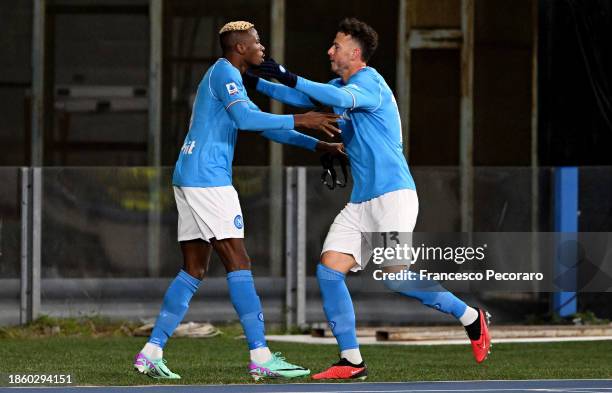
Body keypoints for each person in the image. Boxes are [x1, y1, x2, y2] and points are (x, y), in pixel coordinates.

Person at [248, 17, 491, 380]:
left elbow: (336, 98)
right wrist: (251, 79)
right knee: (329, 271)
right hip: (361, 203)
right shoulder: (337, 85)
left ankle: (471, 316)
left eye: (336, 45)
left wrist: (284, 72)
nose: (330, 51)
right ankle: (351, 360)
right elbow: (300, 97)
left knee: (395, 278)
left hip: (394, 197)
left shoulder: (370, 83)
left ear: (355, 52)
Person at [133, 20, 343, 381]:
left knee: (194, 269)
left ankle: (151, 351)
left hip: (190, 175)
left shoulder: (230, 78)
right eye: (257, 42)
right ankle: (260, 355)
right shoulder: (224, 73)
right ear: (240, 48)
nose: (262, 47)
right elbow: (246, 120)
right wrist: (304, 119)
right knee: (239, 261)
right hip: (208, 180)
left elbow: (260, 125)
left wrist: (317, 145)